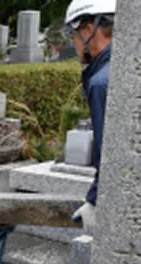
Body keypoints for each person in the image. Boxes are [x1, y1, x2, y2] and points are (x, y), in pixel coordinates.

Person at [64, 0, 115, 232]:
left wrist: (94, 201)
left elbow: (110, 150)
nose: (73, 43)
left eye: (73, 34)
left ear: (87, 29)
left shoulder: (102, 82)